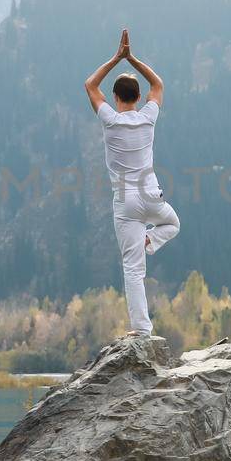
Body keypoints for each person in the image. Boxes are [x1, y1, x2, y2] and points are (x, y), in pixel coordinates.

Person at [84, 28, 179, 337]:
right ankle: (151, 241)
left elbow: (90, 85)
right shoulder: (148, 116)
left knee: (133, 268)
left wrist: (116, 58)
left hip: (125, 201)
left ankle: (141, 329)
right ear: (139, 98)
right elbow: (159, 84)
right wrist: (132, 57)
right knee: (173, 224)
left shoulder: (109, 120)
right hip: (151, 196)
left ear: (115, 98)